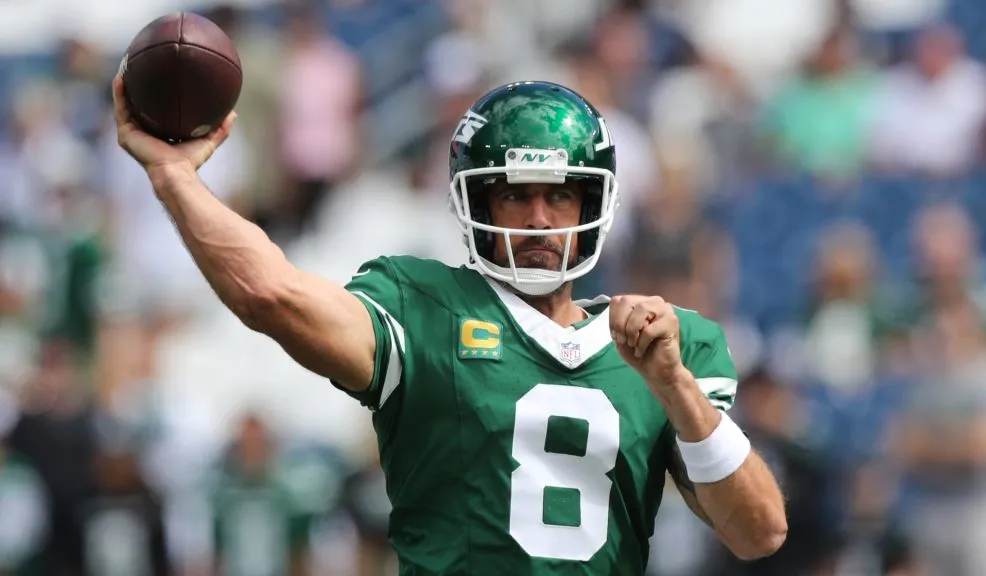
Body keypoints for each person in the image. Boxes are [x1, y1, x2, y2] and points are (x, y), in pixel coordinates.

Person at [111, 75, 787, 574]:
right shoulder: (424, 305)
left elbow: (759, 532)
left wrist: (674, 386)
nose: (542, 220)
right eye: (516, 196)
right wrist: (175, 179)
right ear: (474, 200)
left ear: (597, 200)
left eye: (560, 193)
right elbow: (271, 296)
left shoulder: (672, 347)